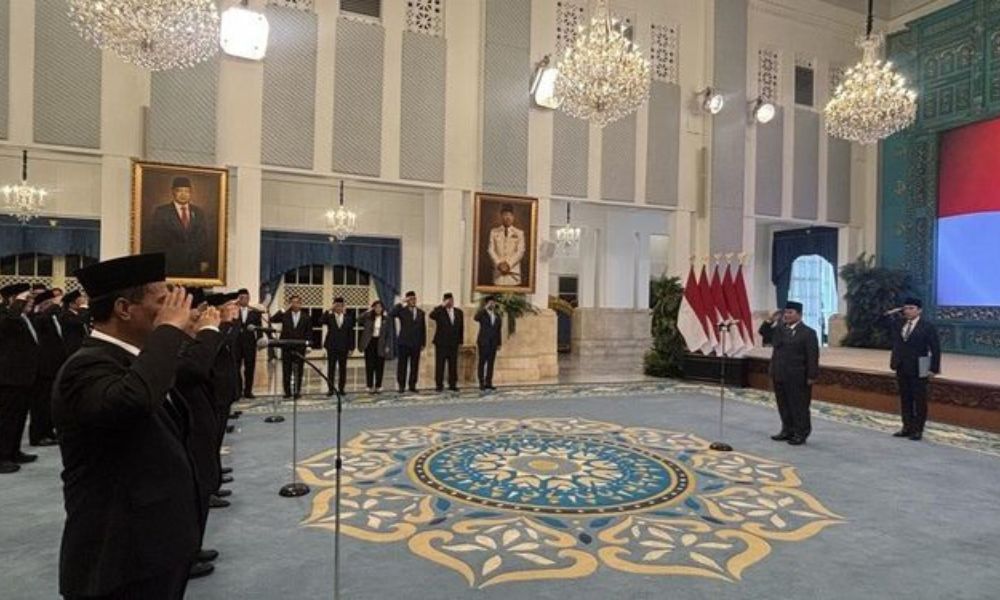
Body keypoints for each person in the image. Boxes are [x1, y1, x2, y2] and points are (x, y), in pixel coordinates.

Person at [51, 254, 201, 599]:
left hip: (156, 545)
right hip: (120, 557)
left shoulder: (135, 359)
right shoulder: (84, 367)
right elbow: (133, 401)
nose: (173, 312)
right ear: (123, 308)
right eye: (162, 303)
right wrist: (167, 331)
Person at [883, 297, 941, 441]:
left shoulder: (927, 326)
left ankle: (918, 429)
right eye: (906, 308)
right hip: (901, 365)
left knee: (919, 399)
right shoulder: (899, 323)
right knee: (905, 398)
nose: (908, 311)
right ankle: (906, 427)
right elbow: (881, 321)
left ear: (919, 310)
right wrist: (894, 312)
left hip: (921, 365)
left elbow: (935, 348)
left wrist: (933, 368)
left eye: (911, 308)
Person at [767, 300, 819, 445]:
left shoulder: (808, 333)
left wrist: (812, 375)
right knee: (783, 404)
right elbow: (764, 333)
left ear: (799, 315)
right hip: (779, 373)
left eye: (790, 312)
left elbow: (813, 356)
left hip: (798, 376)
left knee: (799, 406)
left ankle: (801, 433)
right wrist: (770, 320)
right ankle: (787, 430)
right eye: (785, 312)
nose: (787, 315)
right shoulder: (780, 330)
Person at [0, 283, 39, 474]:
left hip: (24, 376)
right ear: (12, 299)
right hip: (9, 378)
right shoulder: (6, 316)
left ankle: (14, 451)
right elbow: (9, 323)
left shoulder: (23, 318)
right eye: (26, 299)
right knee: (6, 419)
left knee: (18, 417)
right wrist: (18, 303)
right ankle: (2, 457)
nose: (30, 302)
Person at [146, 176, 210, 278]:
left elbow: (203, 238)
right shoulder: (162, 212)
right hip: (170, 265)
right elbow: (155, 240)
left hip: (193, 265)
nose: (183, 194)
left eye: (186, 191)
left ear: (191, 193)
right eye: (179, 191)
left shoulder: (198, 212)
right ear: (173, 192)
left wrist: (204, 259)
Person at [30, 289, 65, 447]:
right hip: (43, 367)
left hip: (54, 366)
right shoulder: (37, 318)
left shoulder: (53, 317)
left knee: (49, 402)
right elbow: (40, 321)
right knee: (40, 403)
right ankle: (38, 434)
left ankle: (48, 431)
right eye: (49, 303)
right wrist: (52, 306)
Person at [270, 295, 312, 399]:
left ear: (300, 304)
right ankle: (287, 392)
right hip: (287, 347)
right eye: (293, 302)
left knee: (299, 370)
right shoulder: (285, 315)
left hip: (299, 347)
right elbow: (273, 319)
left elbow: (309, 332)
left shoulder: (306, 317)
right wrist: (283, 309)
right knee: (286, 370)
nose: (295, 304)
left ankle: (297, 391)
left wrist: (308, 345)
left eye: (297, 302)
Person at [390, 291, 426, 393]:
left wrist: (423, 342)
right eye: (411, 299)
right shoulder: (402, 311)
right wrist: (401, 303)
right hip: (404, 343)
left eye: (414, 299)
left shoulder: (421, 312)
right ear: (407, 300)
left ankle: (412, 385)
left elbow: (423, 329)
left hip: (416, 343)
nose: (413, 301)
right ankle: (401, 385)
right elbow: (391, 313)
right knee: (402, 365)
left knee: (414, 365)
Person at [320, 297, 355, 396]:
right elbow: (320, 321)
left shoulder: (348, 318)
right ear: (334, 306)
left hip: (344, 347)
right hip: (332, 346)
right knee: (331, 368)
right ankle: (330, 389)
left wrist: (351, 348)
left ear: (343, 307)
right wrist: (329, 309)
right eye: (337, 306)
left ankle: (341, 388)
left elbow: (350, 333)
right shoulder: (329, 317)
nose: (339, 308)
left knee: (343, 369)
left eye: (341, 306)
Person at [429, 293, 464, 392]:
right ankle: (439, 385)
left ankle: (452, 384)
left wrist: (460, 341)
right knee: (440, 364)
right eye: (448, 300)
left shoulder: (458, 312)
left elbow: (461, 327)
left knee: (453, 364)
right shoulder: (440, 311)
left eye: (451, 300)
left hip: (454, 343)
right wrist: (442, 306)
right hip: (441, 343)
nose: (450, 302)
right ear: (444, 301)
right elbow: (432, 315)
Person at [233, 288, 263, 398]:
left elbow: (259, 328)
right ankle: (238, 390)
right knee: (236, 367)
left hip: (249, 343)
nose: (245, 300)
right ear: (238, 299)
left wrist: (259, 340)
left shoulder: (255, 312)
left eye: (246, 298)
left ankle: (248, 391)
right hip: (236, 343)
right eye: (242, 298)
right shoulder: (234, 310)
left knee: (250, 368)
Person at [358, 300, 394, 393]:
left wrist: (388, 345)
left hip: (381, 343)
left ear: (382, 308)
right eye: (376, 307)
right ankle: (369, 385)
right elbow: (358, 319)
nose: (378, 309)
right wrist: (368, 311)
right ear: (373, 308)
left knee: (380, 365)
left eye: (380, 307)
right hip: (370, 343)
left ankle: (378, 385)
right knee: (369, 365)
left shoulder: (386, 319)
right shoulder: (368, 317)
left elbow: (389, 334)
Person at [487, 204, 526, 286]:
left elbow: (520, 251)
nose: (508, 217)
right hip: (498, 274)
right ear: (501, 216)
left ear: (513, 217)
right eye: (505, 215)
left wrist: (508, 264)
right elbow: (491, 250)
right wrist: (499, 264)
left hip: (513, 275)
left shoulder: (519, 233)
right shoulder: (494, 232)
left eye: (510, 215)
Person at [474, 296, 503, 390]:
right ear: (486, 303)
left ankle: (489, 382)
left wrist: (499, 343)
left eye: (493, 302)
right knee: (482, 362)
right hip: (483, 342)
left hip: (493, 342)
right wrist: (484, 309)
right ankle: (481, 382)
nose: (492, 304)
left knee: (491, 363)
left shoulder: (497, 315)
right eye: (490, 303)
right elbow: (476, 318)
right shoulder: (482, 314)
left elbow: (498, 330)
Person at [60, 290, 91, 356]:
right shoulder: (66, 315)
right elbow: (80, 321)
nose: (82, 302)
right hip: (75, 348)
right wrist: (83, 307)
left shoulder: (79, 313)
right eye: (79, 301)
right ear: (71, 304)